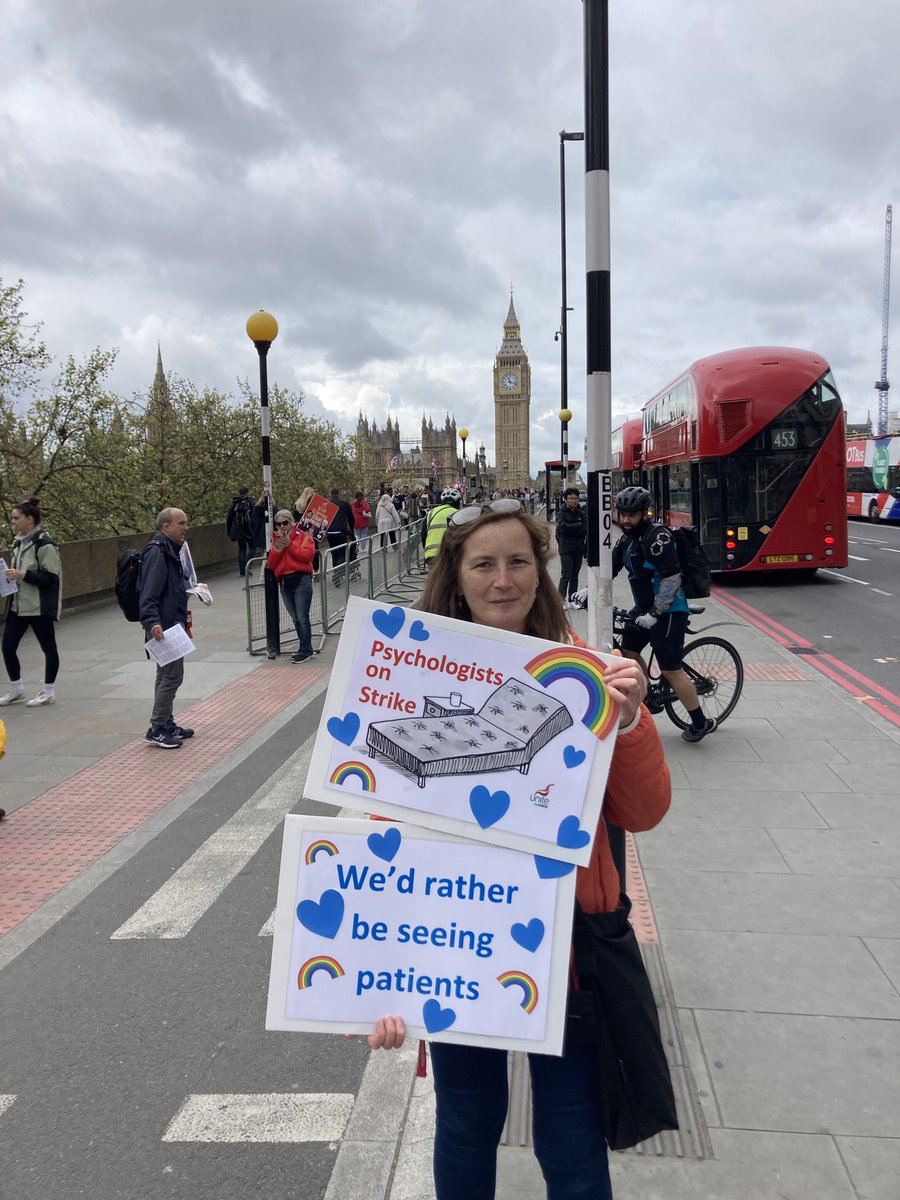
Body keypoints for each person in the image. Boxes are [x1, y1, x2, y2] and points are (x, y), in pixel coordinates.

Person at [366, 497, 671, 1200]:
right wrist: (379, 982)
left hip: (564, 954)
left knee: (571, 1144)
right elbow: (384, 850)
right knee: (468, 1126)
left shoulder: (588, 676)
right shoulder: (418, 680)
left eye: (517, 562)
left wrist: (628, 724)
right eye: (484, 564)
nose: (502, 580)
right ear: (458, 574)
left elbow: (644, 811)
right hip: (457, 950)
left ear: (540, 571)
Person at [612, 485, 715, 743]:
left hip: (669, 610)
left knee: (671, 669)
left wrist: (655, 614)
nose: (626, 519)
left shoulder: (658, 537)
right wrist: (587, 591)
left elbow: (671, 577)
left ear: (644, 513)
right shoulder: (627, 539)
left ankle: (701, 722)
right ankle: (647, 695)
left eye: (632, 515)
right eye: (622, 513)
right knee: (629, 653)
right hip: (645, 608)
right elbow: (607, 570)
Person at [139, 507, 194, 749]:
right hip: (164, 625)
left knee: (166, 675)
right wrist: (153, 622)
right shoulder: (158, 553)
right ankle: (158, 728)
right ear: (166, 526)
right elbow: (148, 593)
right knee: (171, 676)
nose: (185, 527)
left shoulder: (171, 550)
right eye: (181, 523)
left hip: (171, 622)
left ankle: (165, 722)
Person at [1, 497, 62, 708]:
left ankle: (48, 691)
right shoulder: (18, 543)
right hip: (18, 605)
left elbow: (50, 579)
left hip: (39, 607)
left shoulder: (45, 544)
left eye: (16, 518)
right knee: (7, 647)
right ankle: (16, 688)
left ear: (30, 518)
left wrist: (22, 574)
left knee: (48, 648)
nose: (13, 522)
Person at [267, 508, 316, 662]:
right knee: (295, 618)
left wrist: (290, 545)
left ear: (291, 522)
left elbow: (307, 556)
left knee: (302, 617)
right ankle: (305, 647)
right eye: (279, 524)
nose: (282, 526)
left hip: (301, 579)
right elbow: (271, 564)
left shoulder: (303, 536)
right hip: (284, 581)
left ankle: (305, 649)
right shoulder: (276, 539)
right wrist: (278, 550)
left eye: (285, 523)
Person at [555, 486, 588, 605]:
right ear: (565, 499)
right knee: (566, 575)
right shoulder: (561, 513)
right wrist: (577, 525)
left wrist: (572, 528)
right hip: (566, 549)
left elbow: (585, 529)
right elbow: (562, 528)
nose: (574, 500)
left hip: (579, 548)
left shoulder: (581, 513)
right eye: (571, 498)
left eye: (576, 498)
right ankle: (560, 600)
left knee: (575, 576)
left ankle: (572, 599)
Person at [423, 487, 462, 568]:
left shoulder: (431, 512)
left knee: (435, 579)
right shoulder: (459, 514)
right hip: (451, 556)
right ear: (458, 502)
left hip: (431, 555)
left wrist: (427, 552)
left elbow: (423, 535)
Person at [326, 489, 356, 586]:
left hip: (330, 532)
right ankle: (337, 573)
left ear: (331, 495)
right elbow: (351, 517)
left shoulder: (326, 504)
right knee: (342, 553)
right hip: (341, 532)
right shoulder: (344, 504)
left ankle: (337, 574)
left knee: (334, 553)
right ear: (339, 494)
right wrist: (351, 529)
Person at [226, 486, 256, 577]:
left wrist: (229, 531)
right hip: (249, 530)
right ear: (248, 492)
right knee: (253, 547)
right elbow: (254, 516)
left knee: (242, 549)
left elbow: (229, 518)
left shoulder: (235, 503)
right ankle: (248, 564)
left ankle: (242, 570)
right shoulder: (251, 502)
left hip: (238, 530)